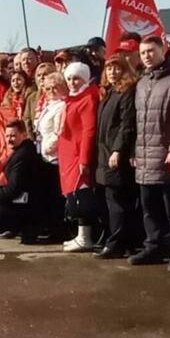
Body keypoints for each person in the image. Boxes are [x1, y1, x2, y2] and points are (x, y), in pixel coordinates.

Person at [131, 35, 170, 271]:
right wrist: (135, 150)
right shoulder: (142, 81)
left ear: (163, 50)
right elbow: (138, 120)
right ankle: (153, 246)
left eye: (151, 51)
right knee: (150, 208)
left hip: (166, 154)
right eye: (143, 52)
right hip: (144, 155)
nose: (147, 56)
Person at [0, 119, 51, 244]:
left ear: (24, 135)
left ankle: (19, 227)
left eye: (13, 136)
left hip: (30, 206)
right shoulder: (19, 151)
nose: (9, 139)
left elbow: (13, 190)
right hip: (27, 201)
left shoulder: (22, 155)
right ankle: (15, 228)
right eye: (7, 136)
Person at [96, 56, 140, 259]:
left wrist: (117, 150)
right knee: (114, 200)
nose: (112, 72)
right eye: (109, 69)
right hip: (104, 152)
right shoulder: (110, 92)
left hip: (116, 155)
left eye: (117, 68)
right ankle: (124, 241)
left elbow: (126, 124)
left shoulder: (127, 91)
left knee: (117, 202)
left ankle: (116, 243)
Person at [58, 62, 99, 253]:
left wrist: (84, 159)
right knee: (74, 196)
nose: (72, 83)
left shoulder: (88, 99)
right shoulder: (72, 99)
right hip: (68, 156)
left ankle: (85, 237)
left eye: (76, 78)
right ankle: (80, 234)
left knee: (82, 197)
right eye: (69, 79)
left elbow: (88, 131)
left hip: (78, 156)